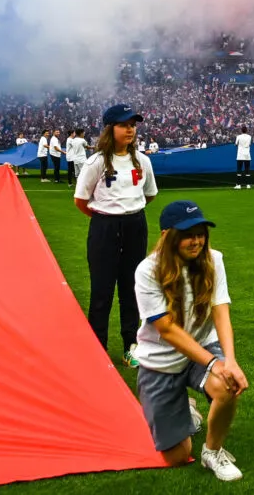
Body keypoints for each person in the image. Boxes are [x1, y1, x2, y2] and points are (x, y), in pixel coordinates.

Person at [130, 199, 247, 481]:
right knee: (178, 457)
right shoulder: (147, 270)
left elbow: (221, 310)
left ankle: (212, 452)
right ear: (167, 236)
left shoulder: (214, 260)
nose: (196, 241)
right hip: (160, 362)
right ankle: (187, 410)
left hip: (202, 346)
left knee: (227, 383)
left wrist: (229, 361)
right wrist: (214, 363)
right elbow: (167, 329)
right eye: (187, 235)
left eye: (200, 233)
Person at [75, 104, 159, 363]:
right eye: (124, 125)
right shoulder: (97, 162)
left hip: (135, 225)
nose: (130, 130)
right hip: (104, 227)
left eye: (133, 125)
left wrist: (128, 214)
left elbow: (149, 194)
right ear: (110, 129)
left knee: (131, 288)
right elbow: (81, 200)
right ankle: (97, 349)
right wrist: (106, 218)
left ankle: (130, 345)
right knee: (102, 290)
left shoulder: (142, 160)